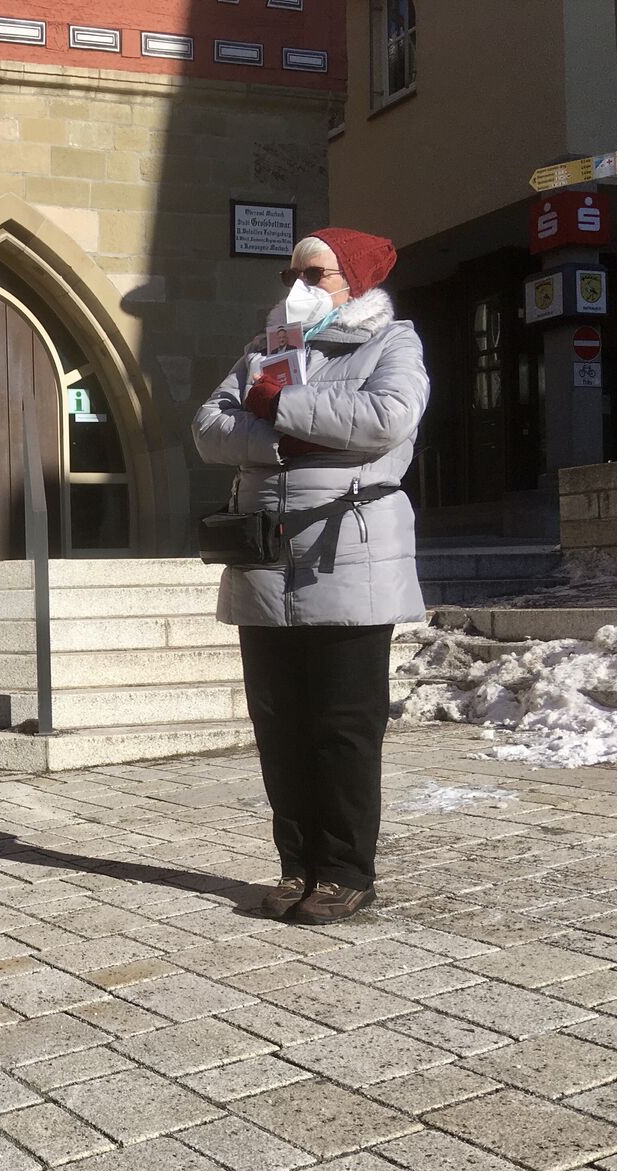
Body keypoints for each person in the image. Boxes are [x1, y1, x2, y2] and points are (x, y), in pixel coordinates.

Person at [192, 227, 429, 925]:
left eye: (315, 274)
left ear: (353, 281)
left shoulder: (392, 341)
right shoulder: (263, 350)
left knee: (345, 726)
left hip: (348, 554)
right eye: (291, 274)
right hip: (266, 559)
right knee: (279, 724)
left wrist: (279, 406)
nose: (299, 286)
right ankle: (297, 864)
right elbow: (208, 427)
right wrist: (292, 435)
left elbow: (386, 418)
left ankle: (347, 872)